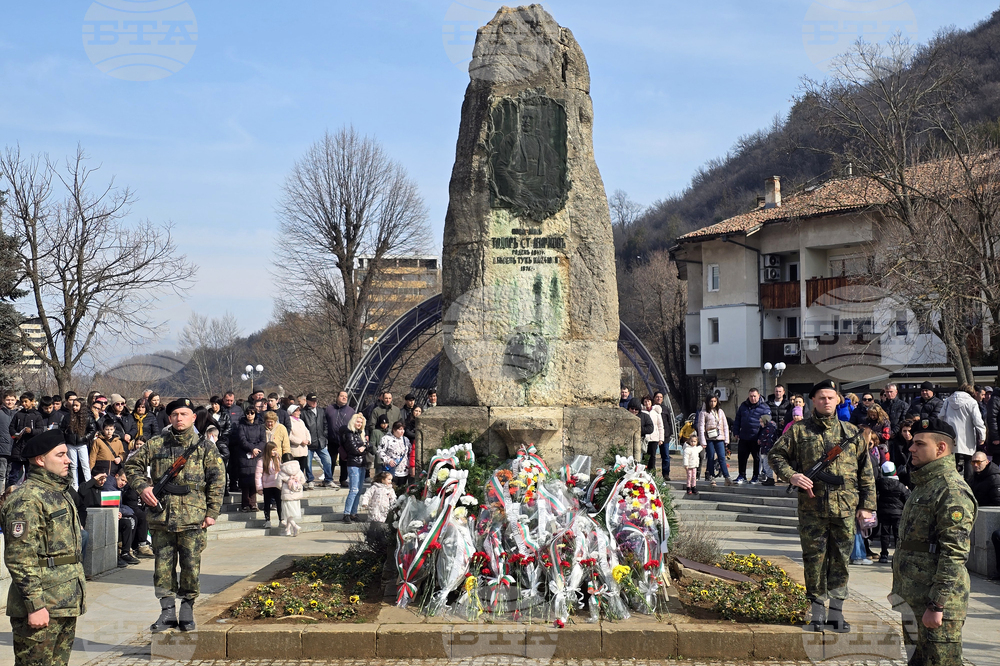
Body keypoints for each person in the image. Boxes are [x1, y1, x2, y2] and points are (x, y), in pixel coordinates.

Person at [769, 379, 876, 633]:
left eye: (830, 397)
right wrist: (792, 475)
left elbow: (866, 473)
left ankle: (836, 612)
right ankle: (816, 610)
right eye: (820, 398)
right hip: (812, 508)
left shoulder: (852, 433)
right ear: (813, 401)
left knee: (841, 560)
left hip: (846, 508)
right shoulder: (799, 431)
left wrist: (867, 506)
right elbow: (775, 455)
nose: (826, 401)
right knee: (814, 560)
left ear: (838, 400)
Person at [124, 398, 225, 634]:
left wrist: (212, 513)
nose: (179, 418)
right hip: (161, 518)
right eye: (175, 415)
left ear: (192, 417)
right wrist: (143, 487)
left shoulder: (205, 447)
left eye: (184, 414)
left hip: (193, 519)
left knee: (191, 566)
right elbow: (131, 467)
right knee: (163, 567)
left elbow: (218, 480)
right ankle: (167, 611)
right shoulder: (156, 443)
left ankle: (187, 609)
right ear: (169, 419)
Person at [889, 418, 976, 665]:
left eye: (919, 444)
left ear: (940, 448)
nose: (910, 449)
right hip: (914, 599)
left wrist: (937, 604)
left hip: (936, 603)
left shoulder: (951, 490)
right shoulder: (925, 485)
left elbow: (954, 552)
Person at [0, 430, 86, 666]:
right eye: (60, 455)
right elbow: (19, 558)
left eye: (66, 454)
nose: (68, 460)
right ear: (40, 459)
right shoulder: (27, 499)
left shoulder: (58, 493)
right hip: (43, 603)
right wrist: (35, 605)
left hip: (64, 602)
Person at [940, 383, 985, 484]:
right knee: (969, 460)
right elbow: (977, 420)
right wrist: (982, 436)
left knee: (952, 461)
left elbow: (941, 416)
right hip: (967, 438)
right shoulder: (972, 402)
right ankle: (969, 485)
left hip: (951, 436)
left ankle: (951, 482)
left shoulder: (947, 401)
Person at [875, 461, 910, 564]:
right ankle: (897, 554)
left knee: (884, 534)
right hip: (897, 513)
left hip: (884, 512)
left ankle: (884, 554)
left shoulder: (879, 483)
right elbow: (907, 496)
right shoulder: (899, 485)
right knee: (897, 534)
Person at [734, 388, 770, 484]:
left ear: (759, 396)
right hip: (744, 436)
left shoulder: (764, 407)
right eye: (751, 396)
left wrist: (761, 437)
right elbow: (737, 419)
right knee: (742, 457)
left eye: (754, 396)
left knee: (756, 458)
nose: (753, 398)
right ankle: (742, 475)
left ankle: (755, 476)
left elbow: (766, 424)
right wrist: (736, 432)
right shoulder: (743, 406)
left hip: (756, 438)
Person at [234, 407, 264, 512]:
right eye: (248, 413)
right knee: (245, 481)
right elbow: (242, 440)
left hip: (257, 455)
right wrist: (251, 449)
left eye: (252, 413)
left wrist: (257, 450)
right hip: (245, 455)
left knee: (254, 480)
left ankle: (253, 504)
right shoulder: (241, 426)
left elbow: (263, 440)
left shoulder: (260, 427)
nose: (250, 415)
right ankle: (245, 504)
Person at [340, 413, 368, 523]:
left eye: (361, 422)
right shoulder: (349, 434)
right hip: (353, 464)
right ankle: (346, 513)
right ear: (353, 422)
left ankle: (353, 513)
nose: (359, 424)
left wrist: (364, 447)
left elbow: (368, 447)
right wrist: (364, 447)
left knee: (359, 490)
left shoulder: (360, 433)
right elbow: (354, 450)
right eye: (357, 422)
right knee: (354, 489)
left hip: (362, 463)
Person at [325, 390, 355, 488]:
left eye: (346, 396)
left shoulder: (351, 411)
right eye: (342, 396)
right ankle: (328, 479)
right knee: (330, 460)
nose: (344, 398)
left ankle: (343, 479)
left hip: (345, 440)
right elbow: (324, 422)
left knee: (344, 461)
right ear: (337, 397)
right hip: (332, 439)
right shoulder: (329, 409)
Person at [301, 393, 332, 488]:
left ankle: (328, 479)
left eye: (315, 401)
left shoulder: (321, 411)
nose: (314, 403)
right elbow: (302, 427)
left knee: (327, 460)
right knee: (308, 463)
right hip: (310, 442)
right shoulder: (303, 412)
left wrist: (324, 435)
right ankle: (310, 479)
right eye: (312, 401)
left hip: (321, 441)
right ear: (307, 401)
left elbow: (325, 424)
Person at [255, 441, 283, 529]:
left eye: (275, 450)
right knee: (267, 504)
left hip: (277, 485)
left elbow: (281, 471)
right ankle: (267, 520)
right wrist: (259, 487)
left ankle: (281, 520)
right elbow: (258, 475)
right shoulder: (262, 461)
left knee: (279, 503)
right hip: (267, 486)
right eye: (273, 450)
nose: (275, 452)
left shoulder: (277, 459)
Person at [377, 421, 414, 488]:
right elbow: (380, 451)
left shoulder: (405, 440)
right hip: (391, 470)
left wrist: (411, 466)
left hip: (404, 470)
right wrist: (388, 460)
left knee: (401, 490)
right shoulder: (386, 439)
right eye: (400, 429)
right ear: (394, 430)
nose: (402, 431)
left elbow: (410, 452)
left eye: (403, 429)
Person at [278, 454, 306, 536]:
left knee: (287, 513)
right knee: (291, 512)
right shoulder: (298, 469)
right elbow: (303, 480)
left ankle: (295, 526)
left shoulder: (282, 471)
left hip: (287, 494)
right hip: (297, 494)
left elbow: (278, 484)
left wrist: (283, 487)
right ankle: (288, 530)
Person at [286, 405, 311, 488]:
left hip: (304, 449)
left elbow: (307, 431)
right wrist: (300, 441)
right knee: (295, 469)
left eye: (299, 411)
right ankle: (294, 483)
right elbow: (289, 435)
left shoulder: (301, 421)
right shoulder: (289, 421)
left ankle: (300, 483)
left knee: (302, 468)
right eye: (296, 411)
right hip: (295, 449)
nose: (298, 413)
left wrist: (308, 440)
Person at [641, 396, 665, 478]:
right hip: (645, 438)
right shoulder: (642, 412)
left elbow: (660, 426)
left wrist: (661, 439)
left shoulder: (656, 412)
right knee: (645, 456)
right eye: (645, 402)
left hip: (654, 438)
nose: (647, 403)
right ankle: (644, 473)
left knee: (653, 456)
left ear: (651, 402)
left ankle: (652, 473)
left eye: (648, 401)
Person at [757, 414, 778, 486]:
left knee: (767, 465)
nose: (760, 424)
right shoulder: (766, 428)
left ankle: (770, 478)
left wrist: (766, 450)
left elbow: (769, 440)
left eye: (761, 422)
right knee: (766, 464)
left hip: (767, 450)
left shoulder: (769, 429)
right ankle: (769, 477)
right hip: (765, 448)